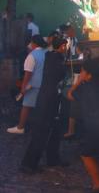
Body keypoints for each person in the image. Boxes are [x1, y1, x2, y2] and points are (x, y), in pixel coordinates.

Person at [67, 58, 99, 191]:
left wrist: (78, 81)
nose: (82, 72)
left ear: (89, 73)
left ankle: (97, 184)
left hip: (92, 125)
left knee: (86, 154)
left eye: (83, 71)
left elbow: (70, 95)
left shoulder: (84, 87)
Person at [20, 37, 68, 173]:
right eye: (65, 46)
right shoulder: (55, 59)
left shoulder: (50, 56)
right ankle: (29, 164)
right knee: (42, 131)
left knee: (54, 130)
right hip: (48, 99)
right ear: (62, 46)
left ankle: (52, 158)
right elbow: (58, 75)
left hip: (49, 97)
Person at [7, 35, 48, 134]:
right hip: (44, 84)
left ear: (33, 43)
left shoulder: (32, 56)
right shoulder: (46, 53)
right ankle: (41, 127)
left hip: (33, 85)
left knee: (26, 106)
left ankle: (20, 127)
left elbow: (28, 74)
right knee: (41, 106)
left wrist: (23, 87)